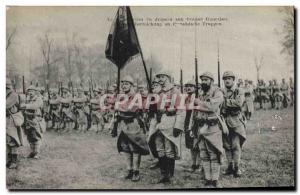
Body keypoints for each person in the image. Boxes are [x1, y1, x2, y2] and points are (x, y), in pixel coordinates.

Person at [187, 72, 224, 187]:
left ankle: (215, 179)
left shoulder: (217, 93)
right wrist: (191, 126)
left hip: (212, 126)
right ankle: (208, 178)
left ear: (211, 81)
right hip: (200, 126)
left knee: (214, 154)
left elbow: (212, 107)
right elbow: (194, 110)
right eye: (202, 80)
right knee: (203, 154)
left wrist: (199, 102)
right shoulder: (200, 93)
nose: (203, 82)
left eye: (206, 80)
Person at [148, 72, 185, 183]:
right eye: (158, 77)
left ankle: (169, 174)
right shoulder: (158, 92)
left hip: (170, 122)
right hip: (158, 123)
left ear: (168, 78)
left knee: (169, 149)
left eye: (163, 77)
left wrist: (178, 126)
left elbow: (181, 110)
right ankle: (164, 174)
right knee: (160, 149)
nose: (160, 79)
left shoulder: (175, 92)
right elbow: (153, 109)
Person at [116, 76, 150, 182]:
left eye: (127, 84)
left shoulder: (137, 96)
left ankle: (136, 171)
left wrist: (119, 107)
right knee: (125, 148)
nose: (124, 85)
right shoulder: (121, 96)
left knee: (135, 148)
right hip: (123, 124)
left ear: (131, 85)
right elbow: (117, 110)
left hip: (133, 123)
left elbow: (131, 109)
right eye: (123, 84)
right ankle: (129, 170)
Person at [221, 71, 246, 178]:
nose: (227, 80)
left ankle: (237, 167)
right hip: (224, 121)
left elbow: (238, 103)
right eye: (225, 79)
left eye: (229, 78)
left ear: (233, 80)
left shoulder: (239, 90)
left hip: (236, 121)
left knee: (236, 145)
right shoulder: (221, 91)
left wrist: (225, 102)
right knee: (226, 145)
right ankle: (230, 166)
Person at [22, 85, 46, 159]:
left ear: (35, 92)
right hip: (28, 120)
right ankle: (32, 152)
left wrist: (25, 106)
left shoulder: (38, 99)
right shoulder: (27, 99)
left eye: (32, 91)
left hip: (36, 119)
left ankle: (37, 153)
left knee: (36, 136)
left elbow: (35, 106)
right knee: (30, 137)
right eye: (29, 91)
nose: (30, 93)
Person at [6, 79, 24, 168]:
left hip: (11, 119)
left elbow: (6, 105)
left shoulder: (13, 95)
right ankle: (9, 160)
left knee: (12, 139)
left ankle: (14, 161)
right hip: (5, 118)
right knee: (6, 140)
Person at [184, 80, 201, 173]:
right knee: (190, 145)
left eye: (191, 86)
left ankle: (198, 164)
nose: (188, 88)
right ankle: (193, 164)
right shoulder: (186, 98)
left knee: (197, 145)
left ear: (195, 88)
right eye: (187, 86)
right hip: (187, 121)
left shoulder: (198, 97)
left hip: (196, 121)